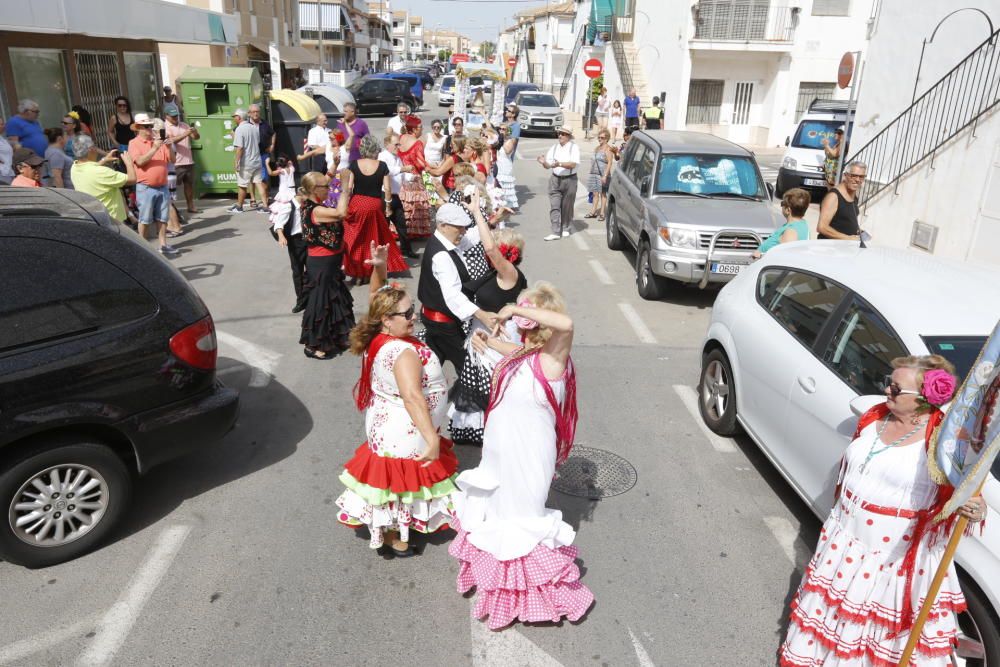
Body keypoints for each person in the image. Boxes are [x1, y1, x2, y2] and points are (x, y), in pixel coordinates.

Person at [779, 355, 987, 667]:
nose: (886, 391)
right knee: (832, 623)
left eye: (894, 388)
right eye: (888, 384)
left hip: (891, 559)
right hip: (845, 540)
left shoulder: (943, 443)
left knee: (875, 635)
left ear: (922, 399)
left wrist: (976, 509)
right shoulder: (875, 416)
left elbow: (965, 493)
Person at [449, 282, 594, 630]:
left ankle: (531, 599)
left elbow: (567, 325)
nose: (519, 329)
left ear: (537, 322)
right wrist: (489, 342)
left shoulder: (553, 358)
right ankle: (501, 592)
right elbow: (512, 350)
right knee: (500, 515)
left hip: (528, 457)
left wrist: (515, 309)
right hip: (501, 455)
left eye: (527, 321)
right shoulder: (524, 353)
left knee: (522, 521)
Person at [336, 242, 459, 556]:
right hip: (404, 428)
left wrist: (379, 268)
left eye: (412, 309)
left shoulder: (378, 335)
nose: (414, 316)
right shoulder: (403, 352)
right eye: (406, 314)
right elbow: (413, 397)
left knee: (392, 480)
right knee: (399, 483)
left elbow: (377, 299)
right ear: (387, 320)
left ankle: (395, 527)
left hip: (384, 422)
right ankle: (393, 533)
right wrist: (431, 437)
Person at [448, 201, 527, 446]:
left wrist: (475, 213)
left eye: (493, 247)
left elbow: (491, 249)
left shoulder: (510, 274)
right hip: (480, 335)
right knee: (476, 384)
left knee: (492, 386)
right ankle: (480, 431)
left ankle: (498, 432)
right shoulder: (494, 274)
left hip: (497, 337)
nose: (487, 250)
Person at [417, 203, 497, 373]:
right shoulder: (441, 255)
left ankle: (427, 387)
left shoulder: (444, 240)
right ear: (443, 225)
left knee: (434, 361)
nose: (463, 231)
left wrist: (493, 221)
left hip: (436, 318)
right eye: (459, 227)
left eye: (464, 227)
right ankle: (472, 395)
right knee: (468, 367)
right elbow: (453, 295)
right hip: (443, 324)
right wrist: (481, 314)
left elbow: (472, 239)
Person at [297, 171, 355, 360]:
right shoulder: (316, 210)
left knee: (335, 299)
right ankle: (312, 345)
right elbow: (341, 213)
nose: (330, 189)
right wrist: (345, 187)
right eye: (326, 187)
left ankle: (339, 336)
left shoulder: (314, 203)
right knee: (319, 304)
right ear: (314, 190)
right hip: (321, 264)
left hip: (331, 262)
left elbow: (326, 179)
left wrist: (336, 165)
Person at [342, 134, 408, 282]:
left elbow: (350, 187)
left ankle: (357, 270)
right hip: (374, 204)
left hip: (357, 203)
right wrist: (388, 206)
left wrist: (345, 205)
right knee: (372, 238)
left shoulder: (354, 164)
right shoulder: (382, 166)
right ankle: (369, 270)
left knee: (355, 237)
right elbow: (388, 188)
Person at [128, 112, 178, 256]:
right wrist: (155, 147)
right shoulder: (134, 143)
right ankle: (142, 247)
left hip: (162, 186)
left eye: (150, 126)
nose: (149, 129)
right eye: (145, 126)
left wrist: (168, 147)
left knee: (162, 218)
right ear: (138, 127)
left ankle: (163, 244)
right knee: (145, 218)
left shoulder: (157, 141)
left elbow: (172, 160)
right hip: (146, 187)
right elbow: (140, 162)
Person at [269, 156, 309, 314]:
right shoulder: (289, 206)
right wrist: (281, 236)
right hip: (296, 241)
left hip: (309, 240)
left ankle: (310, 295)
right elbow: (278, 223)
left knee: (312, 270)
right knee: (297, 271)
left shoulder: (310, 206)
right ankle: (301, 300)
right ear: (302, 195)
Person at [71, 135, 136, 223]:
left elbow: (91, 170)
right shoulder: (102, 172)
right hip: (111, 220)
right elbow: (132, 179)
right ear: (91, 149)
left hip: (93, 217)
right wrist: (129, 163)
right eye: (94, 145)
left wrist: (104, 159)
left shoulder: (75, 167)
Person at [378, 133, 419, 259]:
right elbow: (387, 170)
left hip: (395, 195)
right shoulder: (383, 156)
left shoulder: (397, 157)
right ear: (387, 144)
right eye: (396, 144)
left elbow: (402, 175)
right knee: (384, 225)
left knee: (401, 224)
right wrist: (403, 169)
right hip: (385, 195)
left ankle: (406, 249)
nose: (398, 146)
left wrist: (413, 177)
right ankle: (383, 253)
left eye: (399, 144)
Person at [538, 126, 580, 241]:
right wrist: (543, 162)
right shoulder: (554, 148)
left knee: (567, 206)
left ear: (569, 136)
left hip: (570, 180)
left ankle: (566, 227)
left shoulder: (574, 148)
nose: (560, 135)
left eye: (563, 134)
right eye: (559, 133)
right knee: (554, 206)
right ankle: (555, 231)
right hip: (555, 179)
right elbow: (549, 166)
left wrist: (559, 164)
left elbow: (573, 164)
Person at [398, 115, 434, 240]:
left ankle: (402, 231)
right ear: (414, 129)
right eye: (420, 127)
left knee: (404, 205)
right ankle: (415, 232)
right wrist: (433, 169)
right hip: (414, 179)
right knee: (417, 206)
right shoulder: (417, 143)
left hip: (401, 178)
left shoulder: (400, 138)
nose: (422, 130)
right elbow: (420, 164)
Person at [753, 188, 810, 258]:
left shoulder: (791, 231)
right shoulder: (802, 224)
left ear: (788, 210)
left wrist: (760, 255)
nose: (781, 205)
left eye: (782, 203)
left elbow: (784, 258)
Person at [228, 109, 266, 214]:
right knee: (259, 183)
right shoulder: (254, 127)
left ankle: (239, 206)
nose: (234, 118)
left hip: (246, 162)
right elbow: (257, 141)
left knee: (242, 185)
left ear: (239, 117)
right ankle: (265, 206)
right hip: (256, 160)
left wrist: (236, 161)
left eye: (235, 116)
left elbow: (240, 147)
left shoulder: (239, 129)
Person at [817, 160, 866, 240]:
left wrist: (859, 231)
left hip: (844, 248)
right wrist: (848, 238)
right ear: (845, 175)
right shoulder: (834, 196)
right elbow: (821, 227)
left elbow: (846, 221)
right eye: (854, 176)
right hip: (829, 248)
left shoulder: (853, 196)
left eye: (861, 177)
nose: (857, 180)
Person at [164, 107, 199, 214]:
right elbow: (170, 141)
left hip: (188, 161)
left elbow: (196, 137)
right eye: (172, 116)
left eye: (176, 115)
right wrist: (185, 134)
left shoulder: (184, 125)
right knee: (170, 188)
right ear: (166, 116)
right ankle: (172, 211)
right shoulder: (165, 127)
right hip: (175, 163)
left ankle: (190, 206)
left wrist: (195, 132)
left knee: (189, 185)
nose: (175, 117)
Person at [585, 129, 613, 220]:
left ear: (607, 139)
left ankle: (602, 213)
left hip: (603, 174)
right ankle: (593, 212)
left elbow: (609, 163)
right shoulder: (597, 148)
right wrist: (590, 172)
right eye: (599, 137)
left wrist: (605, 176)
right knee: (595, 194)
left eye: (602, 138)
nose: (600, 139)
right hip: (594, 173)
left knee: (603, 194)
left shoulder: (608, 149)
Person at [251, 104, 275, 208]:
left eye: (257, 111)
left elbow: (273, 133)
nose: (256, 114)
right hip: (251, 155)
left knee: (264, 177)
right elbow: (234, 132)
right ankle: (253, 199)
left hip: (263, 154)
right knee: (251, 177)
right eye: (253, 112)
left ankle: (265, 197)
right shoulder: (246, 124)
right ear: (249, 113)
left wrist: (272, 145)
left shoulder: (264, 123)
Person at [494, 124, 519, 211]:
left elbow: (508, 151)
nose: (501, 130)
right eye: (499, 129)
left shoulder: (510, 141)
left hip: (505, 167)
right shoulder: (497, 140)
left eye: (503, 129)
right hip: (497, 167)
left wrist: (502, 140)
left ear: (508, 131)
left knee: (505, 188)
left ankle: (507, 207)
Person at [0, 117, 13, 185]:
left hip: (7, 172)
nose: (3, 126)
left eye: (3, 124)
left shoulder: (2, 138)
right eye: (1, 124)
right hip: (2, 174)